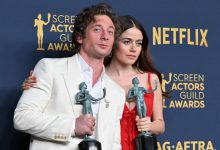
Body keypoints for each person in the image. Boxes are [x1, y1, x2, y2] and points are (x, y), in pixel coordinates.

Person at [22, 15, 166, 150]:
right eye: (127, 42)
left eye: (139, 43)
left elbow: (160, 124)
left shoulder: (150, 79)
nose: (134, 49)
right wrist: (34, 86)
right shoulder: (100, 78)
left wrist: (150, 125)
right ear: (114, 43)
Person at [14, 3, 125, 150]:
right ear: (80, 37)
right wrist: (72, 126)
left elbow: (114, 145)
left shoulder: (117, 92)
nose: (105, 37)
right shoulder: (49, 68)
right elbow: (22, 118)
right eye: (97, 29)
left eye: (110, 32)